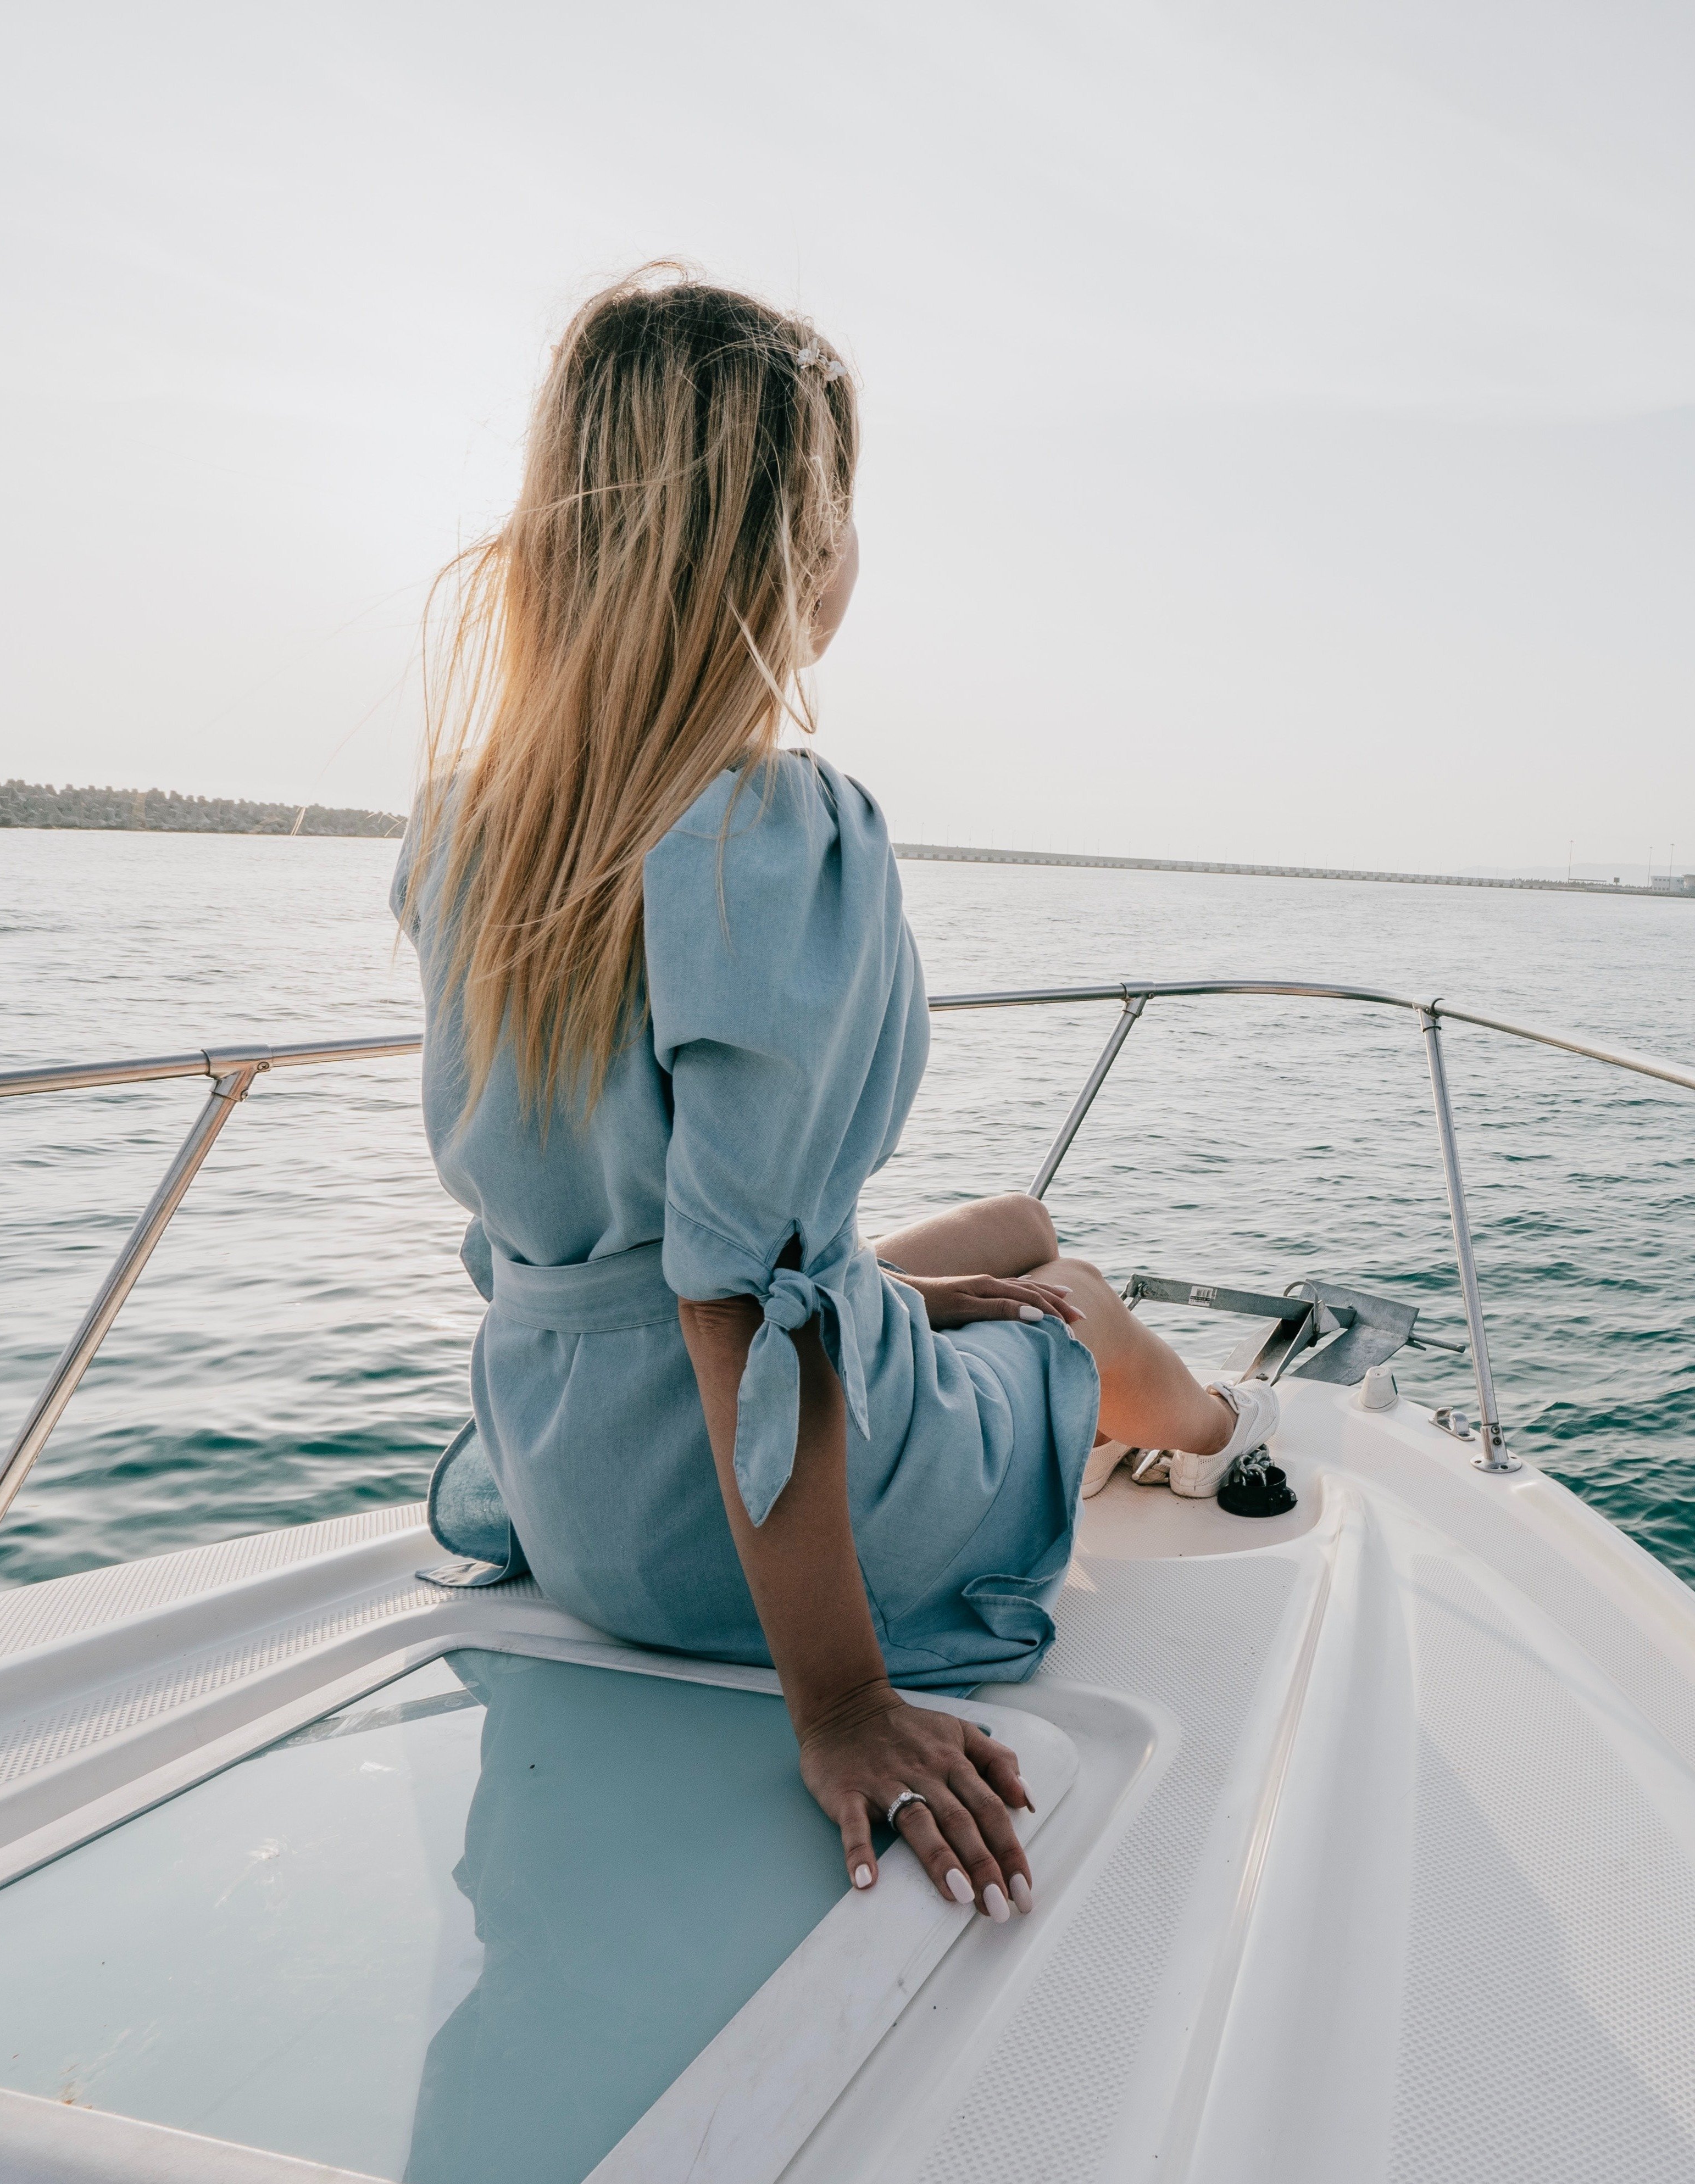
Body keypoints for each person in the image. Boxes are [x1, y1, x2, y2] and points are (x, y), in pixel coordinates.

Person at [392, 268, 1277, 1927]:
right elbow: (746, 1314)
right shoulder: (777, 839)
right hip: (736, 1541)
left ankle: (1053, 1343)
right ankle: (1229, 1432)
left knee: (1003, 1229)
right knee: (1064, 1302)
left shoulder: (470, 834)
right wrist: (845, 1707)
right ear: (802, 554)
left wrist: (898, 1294)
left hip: (571, 1480)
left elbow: (689, 1258)